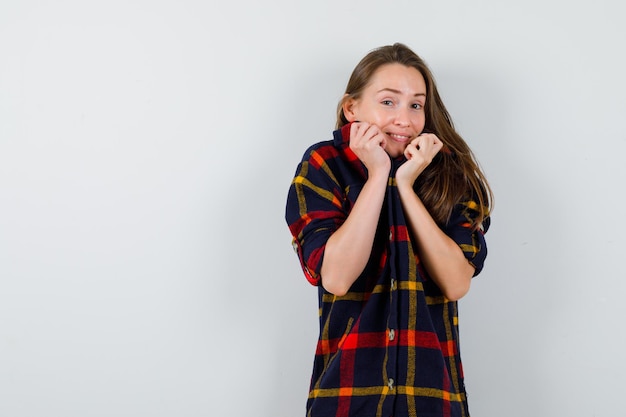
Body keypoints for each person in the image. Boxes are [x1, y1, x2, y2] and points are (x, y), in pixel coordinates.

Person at [285, 43, 493, 417]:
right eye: (388, 102)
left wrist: (407, 187)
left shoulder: (449, 174)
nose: (405, 119)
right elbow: (335, 276)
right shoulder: (324, 165)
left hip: (431, 397)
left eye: (416, 105)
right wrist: (379, 174)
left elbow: (456, 282)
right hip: (346, 396)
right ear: (352, 109)